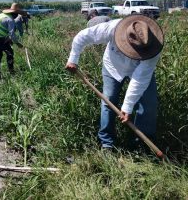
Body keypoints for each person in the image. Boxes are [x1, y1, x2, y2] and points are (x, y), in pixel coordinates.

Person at [65, 15, 164, 150]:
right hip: (112, 67)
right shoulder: (112, 28)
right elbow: (82, 36)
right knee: (108, 100)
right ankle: (107, 142)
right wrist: (73, 59)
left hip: (138, 72)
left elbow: (140, 79)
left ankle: (142, 143)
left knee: (149, 104)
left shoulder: (153, 46)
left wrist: (127, 107)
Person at [0, 3, 24, 80]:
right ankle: (11, 72)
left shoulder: (1, 15)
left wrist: (8, 39)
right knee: (10, 53)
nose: (17, 15)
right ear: (14, 13)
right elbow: (12, 34)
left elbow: (3, 29)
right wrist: (17, 43)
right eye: (17, 14)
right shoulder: (10, 20)